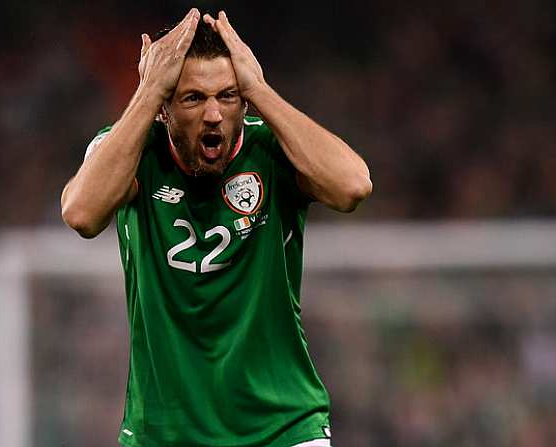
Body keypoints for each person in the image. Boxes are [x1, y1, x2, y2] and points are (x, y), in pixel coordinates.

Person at [61, 8, 371, 447]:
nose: (213, 115)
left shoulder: (271, 149)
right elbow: (82, 214)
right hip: (165, 435)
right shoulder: (133, 151)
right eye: (192, 98)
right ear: (165, 108)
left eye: (227, 96)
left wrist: (259, 88)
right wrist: (148, 91)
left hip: (282, 428)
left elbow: (353, 186)